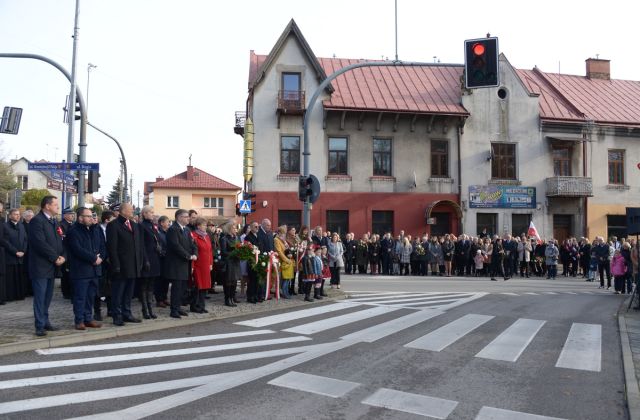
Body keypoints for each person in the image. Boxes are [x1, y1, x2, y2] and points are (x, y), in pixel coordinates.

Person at [28, 195, 66, 336]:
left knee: (48, 296)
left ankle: (45, 321)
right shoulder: (37, 221)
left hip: (52, 265)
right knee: (40, 297)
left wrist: (63, 256)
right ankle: (39, 325)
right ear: (47, 206)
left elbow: (60, 240)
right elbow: (39, 243)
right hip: (40, 266)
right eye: (55, 204)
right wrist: (55, 257)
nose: (57, 206)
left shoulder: (53, 221)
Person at [66, 207, 106, 330]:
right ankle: (79, 320)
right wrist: (93, 258)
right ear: (80, 218)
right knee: (80, 297)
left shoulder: (95, 229)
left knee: (91, 296)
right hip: (81, 270)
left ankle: (88, 318)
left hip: (94, 270)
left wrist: (101, 258)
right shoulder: (73, 231)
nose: (91, 218)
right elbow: (77, 250)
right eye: (88, 216)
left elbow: (102, 245)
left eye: (92, 216)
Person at [106, 202, 145, 326]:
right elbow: (112, 247)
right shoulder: (113, 225)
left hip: (133, 265)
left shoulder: (134, 225)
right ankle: (117, 315)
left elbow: (138, 245)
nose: (132, 211)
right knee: (118, 292)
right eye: (130, 209)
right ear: (123, 211)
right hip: (121, 265)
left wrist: (140, 262)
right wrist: (116, 264)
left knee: (129, 292)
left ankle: (127, 313)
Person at [165, 209, 198, 318]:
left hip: (185, 264)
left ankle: (178, 307)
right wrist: (188, 256)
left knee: (183, 288)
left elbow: (193, 244)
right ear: (179, 217)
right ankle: (174, 310)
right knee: (176, 288)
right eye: (186, 216)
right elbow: (175, 246)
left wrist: (195, 253)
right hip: (176, 264)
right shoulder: (173, 229)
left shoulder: (187, 230)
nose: (188, 218)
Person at [139, 206, 161, 319]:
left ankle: (150, 308)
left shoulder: (152, 226)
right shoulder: (142, 226)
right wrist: (145, 260)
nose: (153, 214)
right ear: (144, 214)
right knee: (144, 286)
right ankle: (145, 310)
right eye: (150, 212)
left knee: (151, 285)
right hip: (147, 258)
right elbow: (141, 245)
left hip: (155, 257)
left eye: (153, 212)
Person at [3, 208, 27, 301]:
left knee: (20, 277)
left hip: (21, 256)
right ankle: (11, 296)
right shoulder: (5, 226)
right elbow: (5, 241)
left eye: (18, 214)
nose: (18, 216)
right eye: (15, 214)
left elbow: (25, 239)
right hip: (10, 256)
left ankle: (20, 295)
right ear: (10, 216)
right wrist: (15, 252)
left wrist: (23, 251)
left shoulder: (21, 226)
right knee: (11, 278)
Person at [190, 217, 212, 312]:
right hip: (198, 266)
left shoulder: (206, 236)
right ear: (198, 226)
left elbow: (210, 251)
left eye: (206, 225)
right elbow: (193, 251)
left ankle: (202, 306)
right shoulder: (194, 236)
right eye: (204, 225)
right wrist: (192, 266)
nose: (205, 227)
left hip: (206, 266)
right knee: (197, 287)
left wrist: (211, 263)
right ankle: (195, 306)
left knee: (205, 287)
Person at [219, 222, 241, 306]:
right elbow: (223, 252)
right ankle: (227, 299)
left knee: (234, 282)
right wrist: (234, 253)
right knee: (228, 282)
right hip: (228, 263)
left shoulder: (236, 238)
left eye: (236, 228)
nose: (235, 229)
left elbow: (239, 248)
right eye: (234, 228)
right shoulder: (224, 238)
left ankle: (232, 297)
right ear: (229, 229)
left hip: (235, 262)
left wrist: (241, 253)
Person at [154, 215, 170, 307]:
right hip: (160, 259)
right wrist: (163, 253)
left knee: (166, 280)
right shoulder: (158, 233)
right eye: (167, 222)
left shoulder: (167, 232)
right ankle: (159, 299)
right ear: (162, 223)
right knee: (159, 281)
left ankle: (164, 298)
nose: (169, 224)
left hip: (167, 260)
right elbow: (158, 246)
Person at [274, 225, 294, 299]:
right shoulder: (276, 239)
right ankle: (283, 292)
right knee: (283, 279)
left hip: (286, 261)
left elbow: (287, 250)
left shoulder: (283, 240)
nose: (284, 235)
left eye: (284, 233)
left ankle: (285, 292)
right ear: (279, 233)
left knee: (286, 279)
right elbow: (279, 251)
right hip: (281, 261)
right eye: (283, 233)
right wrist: (287, 259)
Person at [59, 207, 75, 300]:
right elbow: (62, 238)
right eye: (70, 214)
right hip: (65, 251)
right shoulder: (61, 225)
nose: (72, 216)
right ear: (65, 215)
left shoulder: (72, 224)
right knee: (65, 273)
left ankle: (70, 290)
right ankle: (66, 292)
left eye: (72, 214)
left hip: (71, 252)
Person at [244, 221, 260, 303]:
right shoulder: (248, 237)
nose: (257, 228)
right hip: (251, 261)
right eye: (255, 226)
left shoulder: (257, 235)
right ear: (251, 227)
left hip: (258, 260)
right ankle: (250, 296)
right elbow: (247, 249)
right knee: (252, 280)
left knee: (257, 279)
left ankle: (255, 295)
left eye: (257, 226)